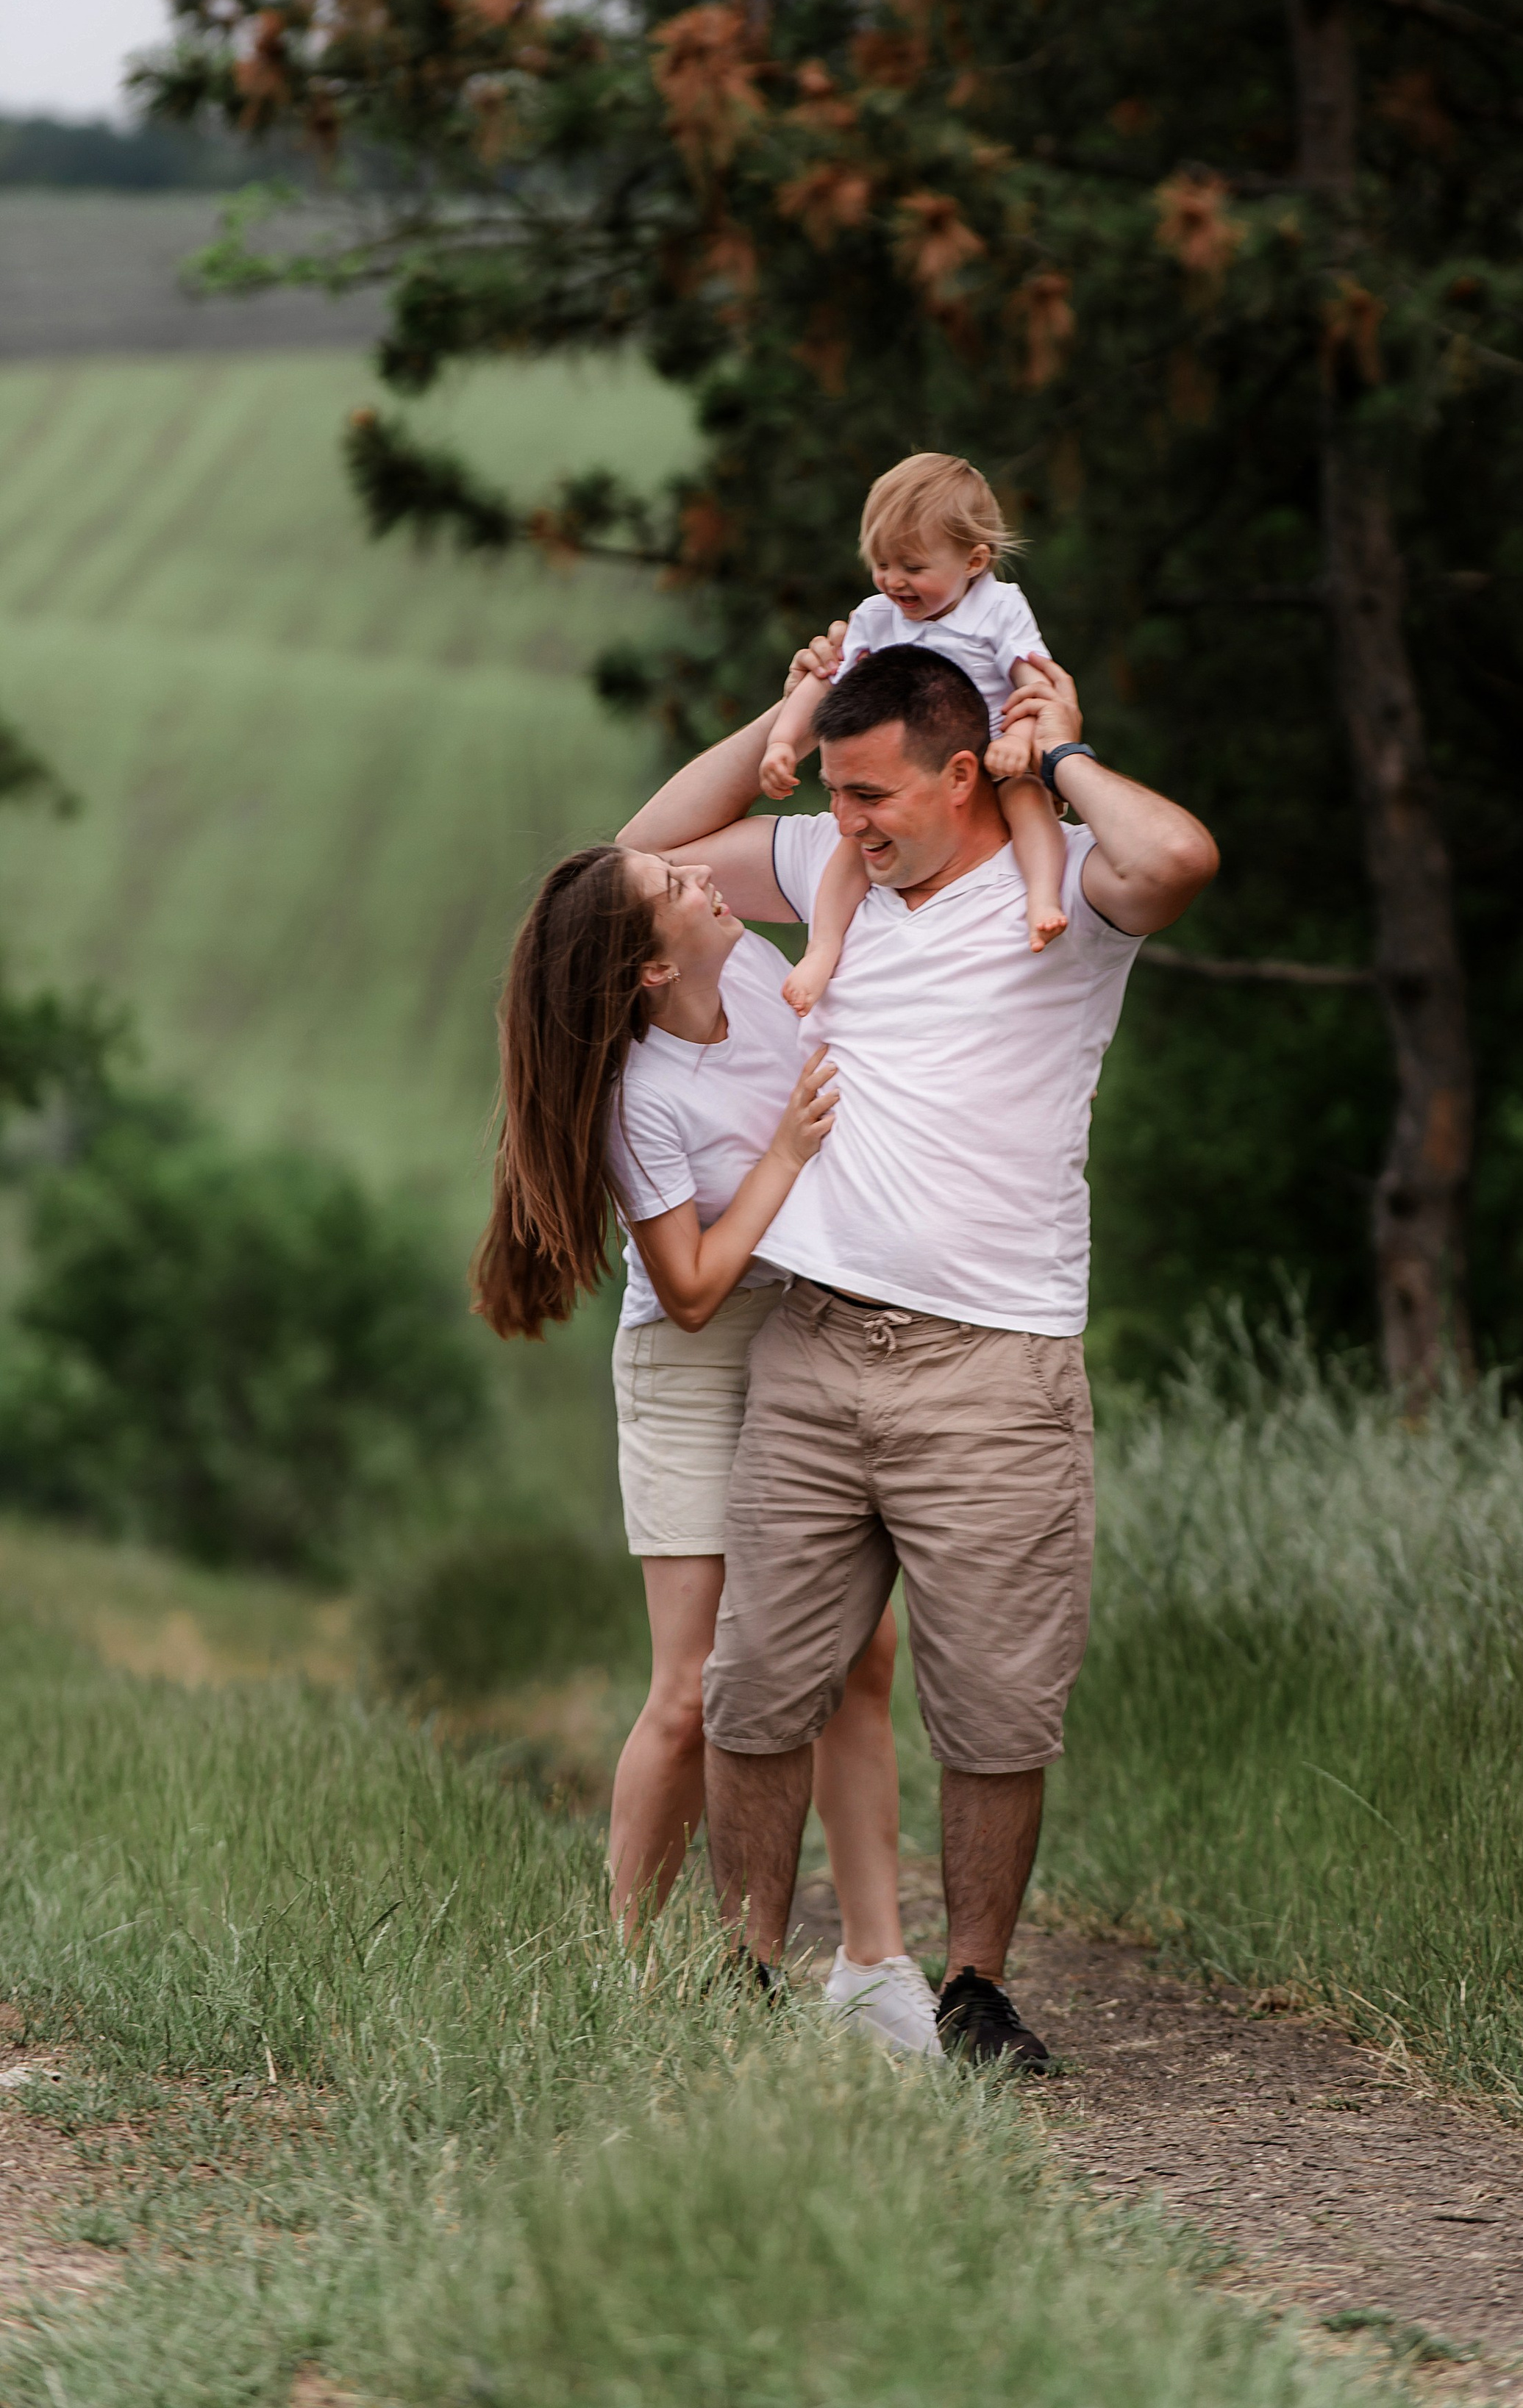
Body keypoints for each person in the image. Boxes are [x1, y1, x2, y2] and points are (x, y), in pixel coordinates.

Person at [618, 637, 1217, 2070]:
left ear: (963, 774)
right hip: (815, 1350)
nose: (850, 823)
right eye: (832, 794)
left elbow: (1182, 851)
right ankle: (744, 1975)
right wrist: (778, 725)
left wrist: (1057, 755)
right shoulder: (837, 870)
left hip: (995, 1365)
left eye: (874, 794)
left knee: (997, 1705)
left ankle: (972, 1992)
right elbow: (637, 856)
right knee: (760, 1687)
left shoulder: (1061, 886)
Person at [471, 837, 939, 2057]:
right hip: (694, 1363)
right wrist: (785, 1153)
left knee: (858, 1657)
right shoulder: (643, 1095)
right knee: (690, 1689)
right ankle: (613, 1972)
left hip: (805, 1333)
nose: (705, 883)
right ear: (642, 966)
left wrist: (795, 714)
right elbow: (685, 1287)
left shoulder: (758, 975)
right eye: (675, 890)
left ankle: (875, 1965)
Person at [761, 452, 1068, 1011]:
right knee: (850, 851)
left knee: (1029, 804)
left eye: (913, 567)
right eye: (881, 563)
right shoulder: (876, 616)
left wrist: (1019, 742)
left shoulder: (1000, 610)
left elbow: (1036, 688)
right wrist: (782, 740)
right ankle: (823, 948)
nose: (893, 581)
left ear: (975, 560)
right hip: (912, 777)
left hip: (995, 757)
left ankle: (1043, 894)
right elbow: (824, 682)